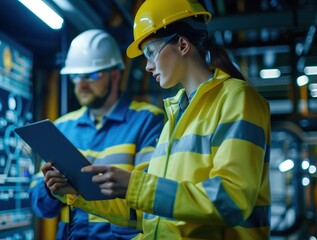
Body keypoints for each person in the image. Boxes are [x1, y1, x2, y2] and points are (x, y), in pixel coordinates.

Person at [43, 1, 271, 239]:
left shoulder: (237, 98)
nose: (149, 66)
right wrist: (78, 194)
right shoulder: (175, 115)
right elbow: (149, 215)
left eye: (151, 52)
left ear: (183, 44)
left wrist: (135, 186)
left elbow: (232, 200)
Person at [29, 29, 165, 240]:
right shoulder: (61, 127)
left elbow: (151, 198)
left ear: (115, 74)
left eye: (91, 76)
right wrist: (49, 189)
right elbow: (40, 208)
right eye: (75, 76)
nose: (81, 85)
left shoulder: (148, 120)